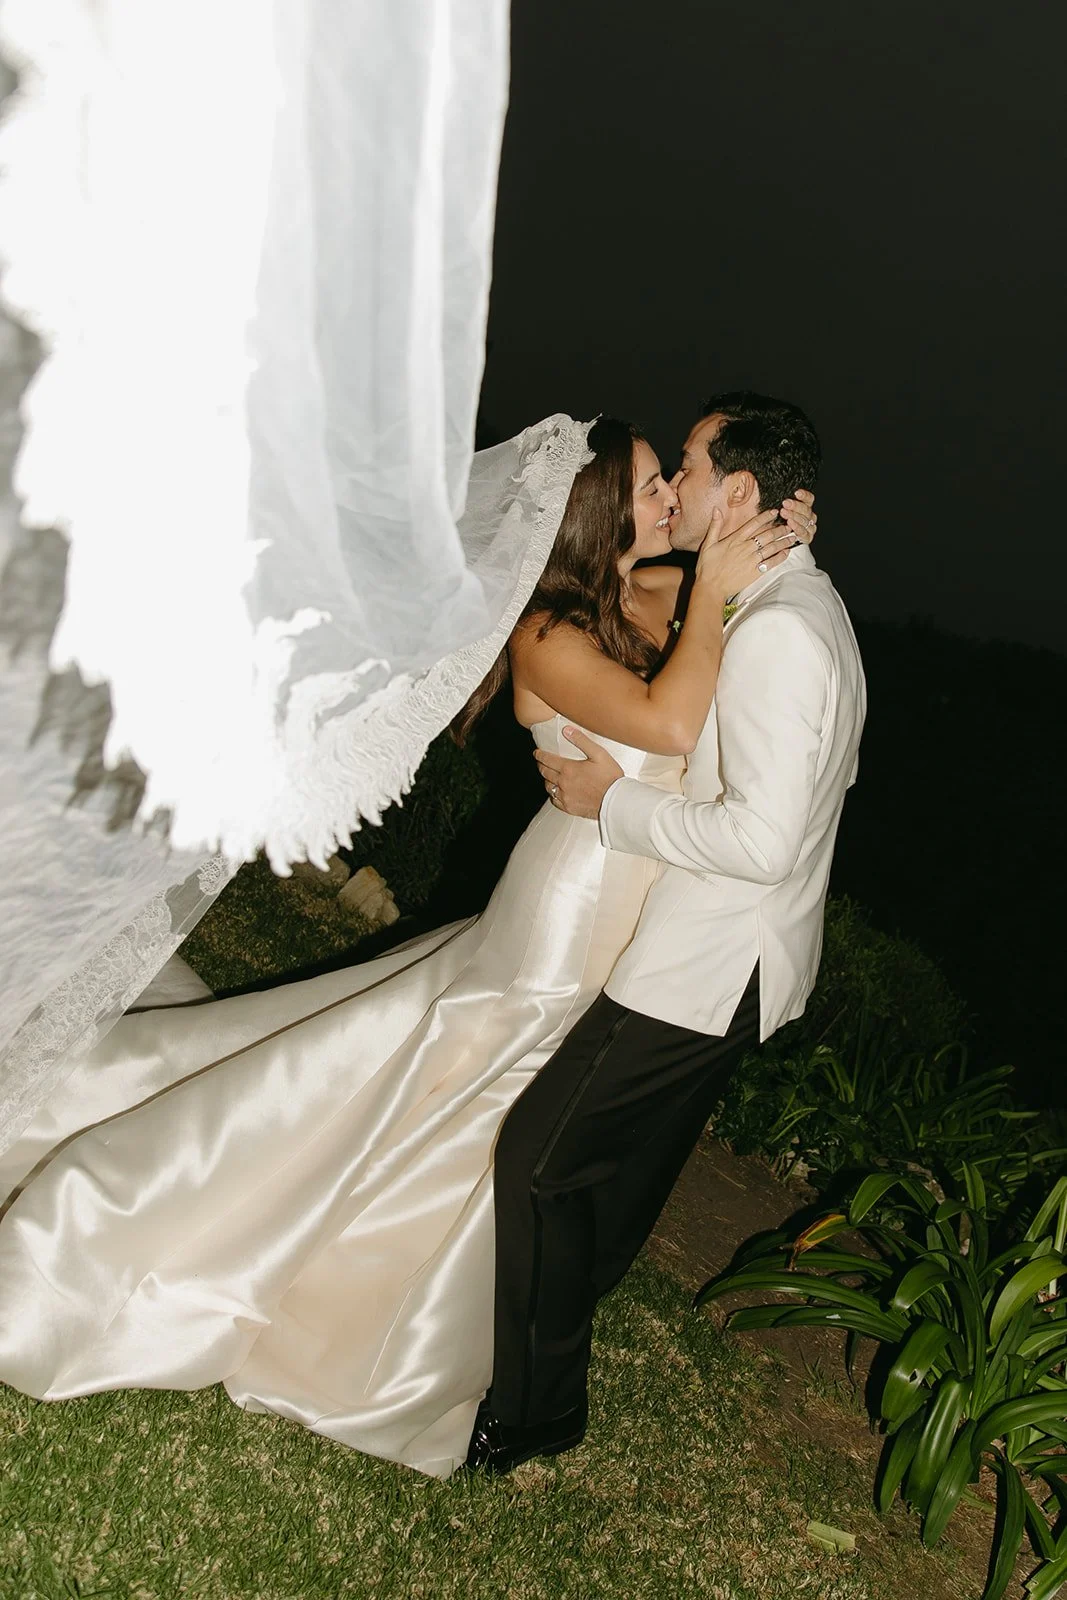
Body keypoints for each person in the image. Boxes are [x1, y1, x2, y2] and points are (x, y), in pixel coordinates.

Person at [0, 417, 814, 1479]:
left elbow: (735, 642)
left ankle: (398, 1308)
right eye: (656, 485)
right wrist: (714, 578)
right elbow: (667, 725)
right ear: (600, 509)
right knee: (475, 1083)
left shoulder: (653, 600)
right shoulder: (546, 634)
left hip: (636, 901)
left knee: (454, 1090)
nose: (672, 502)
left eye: (677, 483)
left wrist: (778, 542)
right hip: (569, 900)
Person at [468, 392, 866, 1475]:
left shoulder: (779, 631)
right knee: (611, 1173)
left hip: (701, 958)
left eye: (685, 464)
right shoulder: (789, 603)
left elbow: (762, 838)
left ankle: (534, 1409)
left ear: (736, 490)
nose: (675, 484)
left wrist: (610, 801)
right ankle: (528, 1340)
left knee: (543, 1163)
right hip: (734, 959)